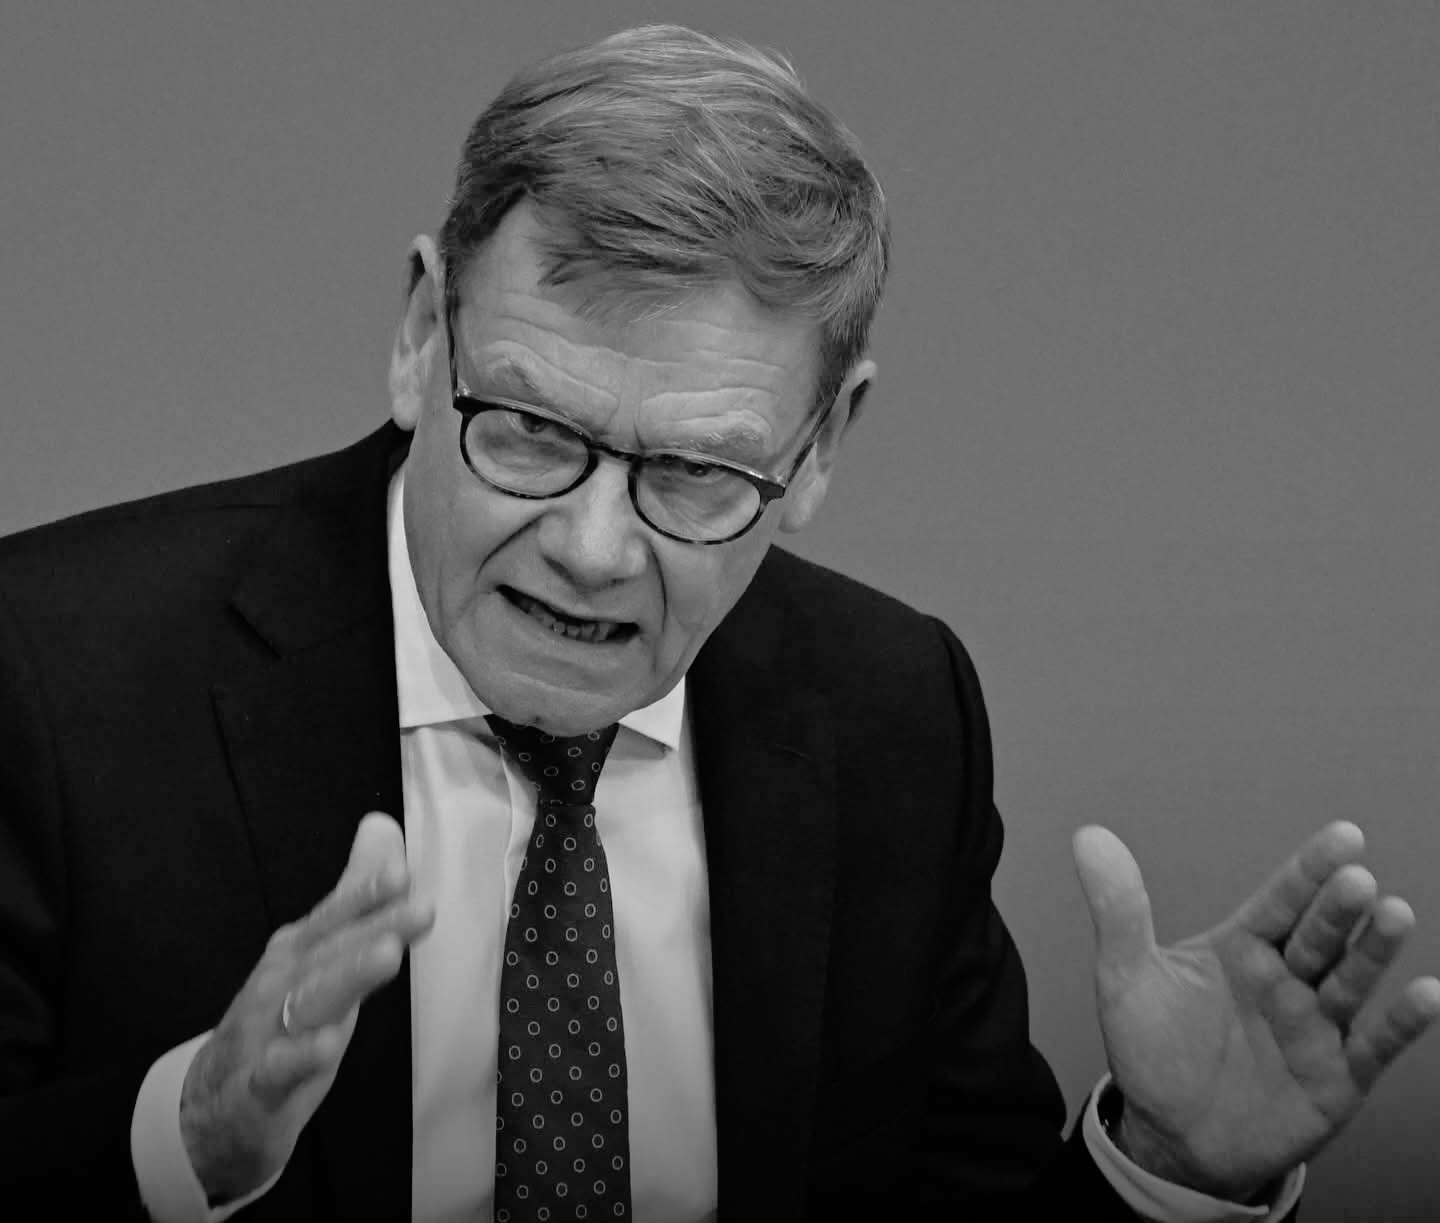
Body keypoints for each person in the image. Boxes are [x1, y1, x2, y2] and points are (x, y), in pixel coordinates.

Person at [0, 24, 1435, 1223]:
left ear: (821, 449)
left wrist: (1168, 1167)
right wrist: (179, 1143)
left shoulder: (892, 714)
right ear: (424, 333)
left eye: (694, 473)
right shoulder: (47, 672)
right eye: (530, 430)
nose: (591, 549)